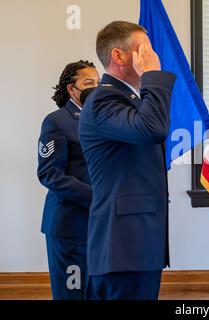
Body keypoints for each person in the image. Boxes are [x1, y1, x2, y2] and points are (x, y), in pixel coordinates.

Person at [78, 21, 176, 300]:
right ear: (118, 56)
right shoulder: (101, 100)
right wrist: (153, 77)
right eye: (143, 49)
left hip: (139, 246)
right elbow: (151, 129)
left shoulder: (130, 100)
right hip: (122, 247)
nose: (152, 56)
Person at [37, 60, 100, 299]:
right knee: (72, 293)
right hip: (69, 223)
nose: (95, 88)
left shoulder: (103, 120)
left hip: (99, 224)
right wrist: (97, 197)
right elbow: (49, 173)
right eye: (88, 83)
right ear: (71, 89)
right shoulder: (56, 121)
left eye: (98, 83)